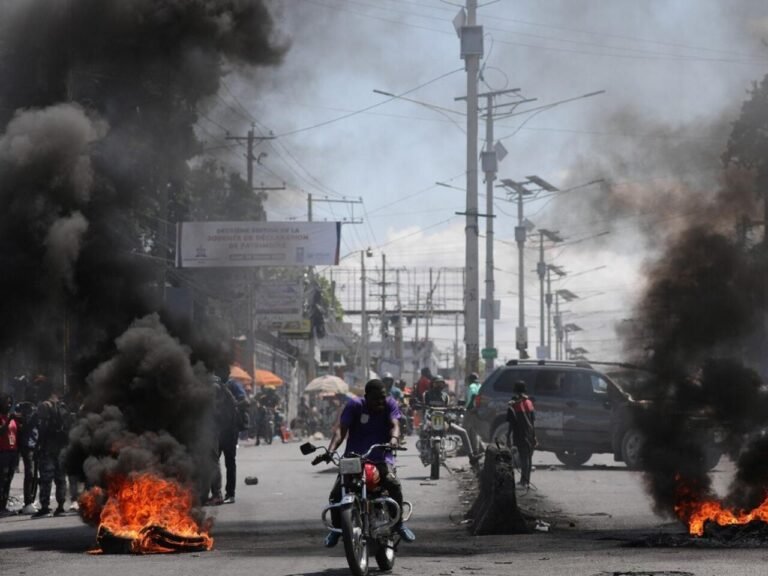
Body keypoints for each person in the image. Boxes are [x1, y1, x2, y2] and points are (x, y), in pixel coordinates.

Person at [322, 379, 415, 547]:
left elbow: (395, 425)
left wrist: (394, 439)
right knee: (336, 493)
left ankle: (399, 524)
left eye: (382, 397)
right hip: (353, 458)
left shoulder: (390, 404)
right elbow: (341, 430)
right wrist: (330, 451)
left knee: (393, 484)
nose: (380, 402)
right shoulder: (354, 405)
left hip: (381, 457)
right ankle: (337, 529)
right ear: (366, 397)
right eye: (375, 398)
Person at [33, 380, 71, 517]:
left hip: (48, 447)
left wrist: (38, 445)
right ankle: (60, 507)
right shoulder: (62, 405)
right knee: (61, 478)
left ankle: (45, 507)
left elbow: (42, 428)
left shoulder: (44, 405)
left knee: (46, 478)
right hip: (61, 447)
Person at [209, 377, 240, 505]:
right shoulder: (227, 392)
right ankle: (226, 494)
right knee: (227, 463)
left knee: (217, 462)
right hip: (228, 433)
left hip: (225, 433)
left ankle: (221, 494)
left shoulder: (218, 392)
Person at [506, 380, 536, 488]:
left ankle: (524, 481)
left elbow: (511, 423)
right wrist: (534, 436)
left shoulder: (513, 404)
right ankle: (526, 481)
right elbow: (532, 421)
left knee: (524, 457)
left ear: (515, 390)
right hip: (529, 433)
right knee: (528, 457)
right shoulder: (529, 402)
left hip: (519, 433)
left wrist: (508, 436)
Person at [0, 393, 19, 517]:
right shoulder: (3, 418)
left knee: (8, 481)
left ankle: (3, 506)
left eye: (10, 402)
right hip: (3, 452)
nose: (9, 404)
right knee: (2, 480)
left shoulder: (12, 418)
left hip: (13, 452)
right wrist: (8, 421)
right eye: (6, 402)